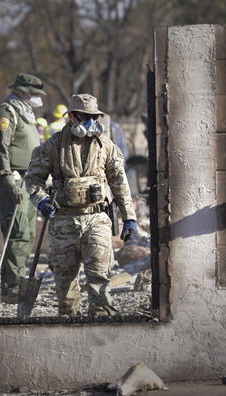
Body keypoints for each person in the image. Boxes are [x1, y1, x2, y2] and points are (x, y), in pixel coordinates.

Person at [24, 93, 137, 316]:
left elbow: (119, 183)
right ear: (72, 117)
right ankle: (68, 329)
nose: (91, 123)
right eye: (85, 117)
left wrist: (129, 217)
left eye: (94, 117)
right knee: (65, 282)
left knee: (99, 279)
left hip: (97, 219)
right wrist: (42, 200)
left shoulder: (106, 146)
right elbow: (33, 180)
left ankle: (102, 329)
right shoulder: (53, 146)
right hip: (64, 221)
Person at [0, 73, 45, 303]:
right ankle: (11, 289)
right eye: (34, 94)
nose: (37, 99)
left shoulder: (24, 113)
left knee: (27, 234)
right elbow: (0, 150)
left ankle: (19, 284)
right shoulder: (7, 112)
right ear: (23, 92)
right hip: (12, 179)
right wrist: (8, 180)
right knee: (17, 233)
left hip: (28, 179)